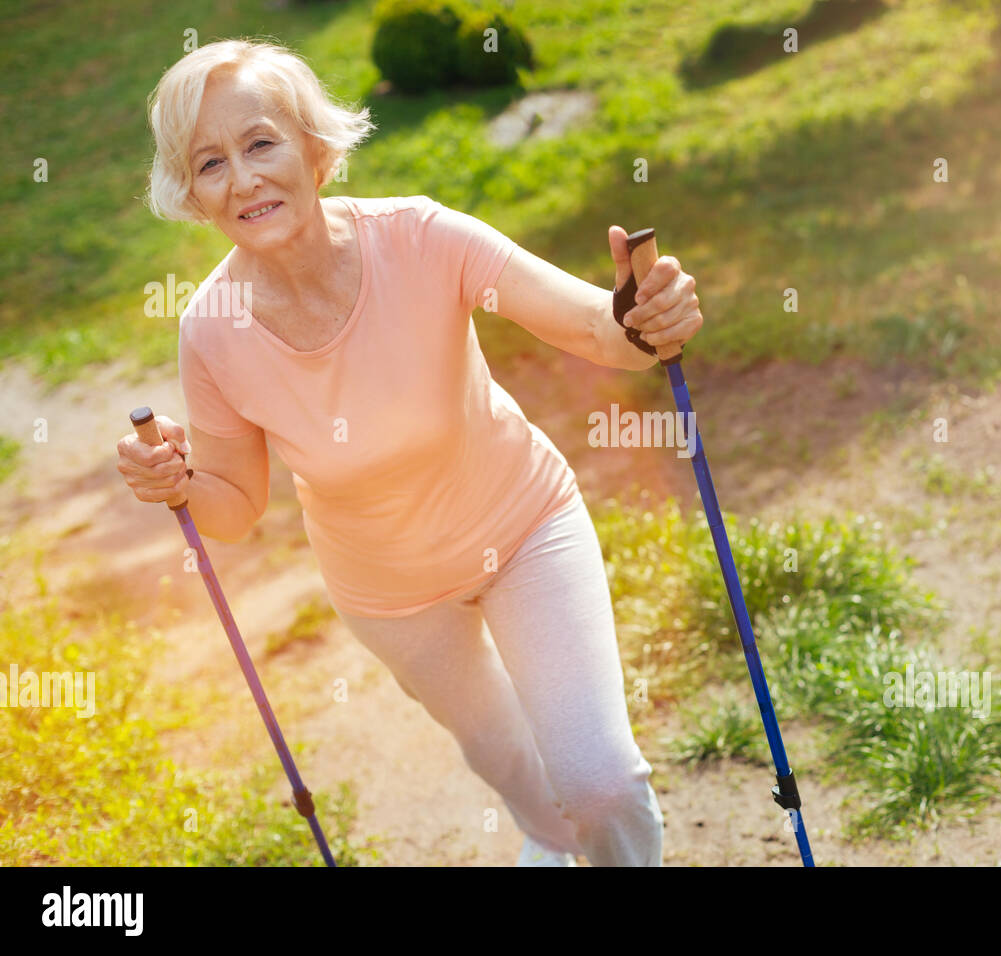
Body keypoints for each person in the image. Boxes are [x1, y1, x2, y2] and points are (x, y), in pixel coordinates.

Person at [115, 39, 703, 867]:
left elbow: (595, 327)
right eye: (209, 163)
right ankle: (547, 844)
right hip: (390, 594)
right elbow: (234, 511)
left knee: (599, 781)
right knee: (516, 773)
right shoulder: (211, 330)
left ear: (316, 149)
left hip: (523, 525)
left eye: (260, 143)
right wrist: (173, 484)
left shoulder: (423, 239)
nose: (242, 178)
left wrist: (643, 317)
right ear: (193, 196)